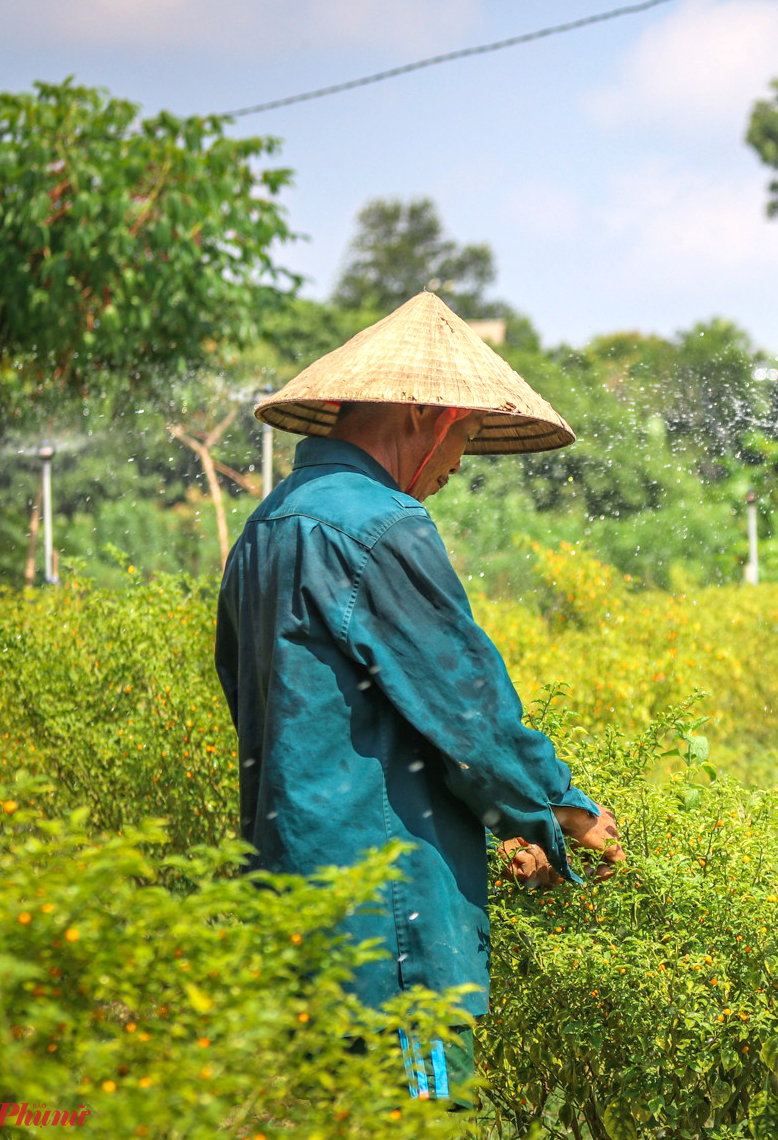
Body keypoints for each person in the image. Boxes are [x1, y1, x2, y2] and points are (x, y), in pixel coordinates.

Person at [216, 292, 623, 1105]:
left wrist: (492, 822)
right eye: (467, 435)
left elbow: (323, 718)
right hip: (390, 937)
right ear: (429, 416)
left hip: (289, 918)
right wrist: (563, 813)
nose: (460, 463)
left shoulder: (266, 527)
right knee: (421, 1114)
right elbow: (465, 710)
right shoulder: (380, 524)